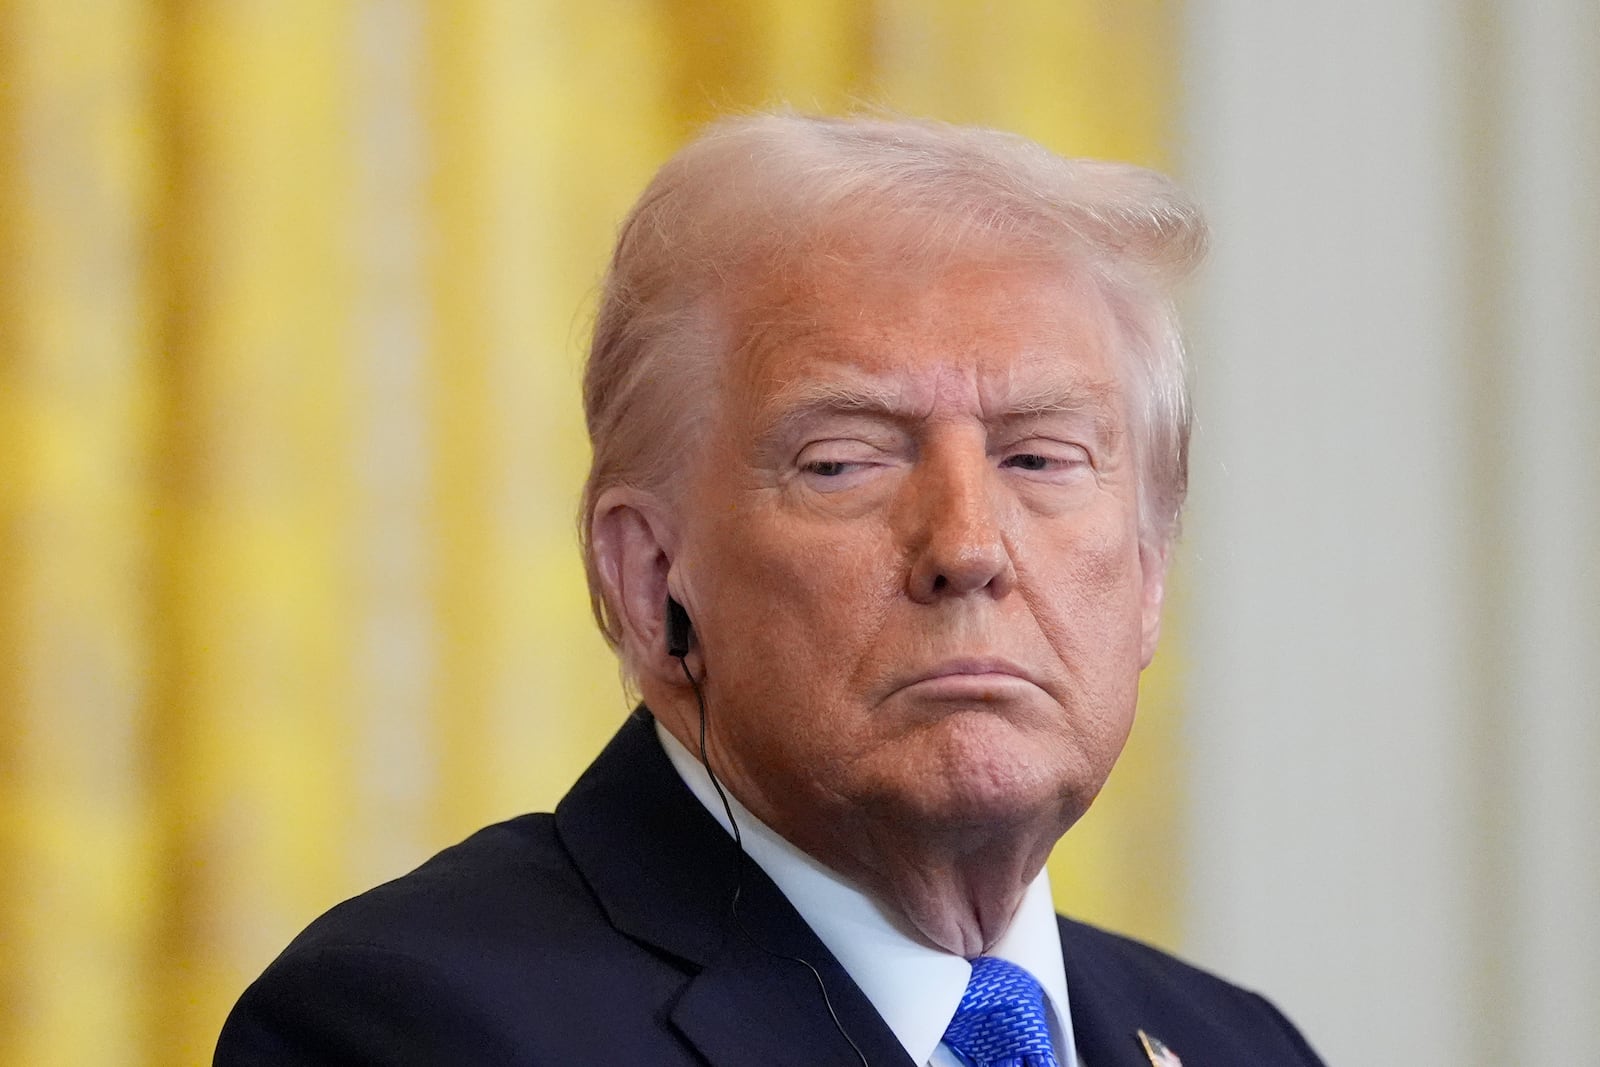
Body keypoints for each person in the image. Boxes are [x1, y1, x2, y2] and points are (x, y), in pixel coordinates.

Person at [216, 114, 1326, 1067]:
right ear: (651, 582)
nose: (968, 544)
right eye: (844, 460)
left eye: (1039, 457)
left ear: (1147, 577)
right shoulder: (416, 1025)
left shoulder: (1235, 1042)